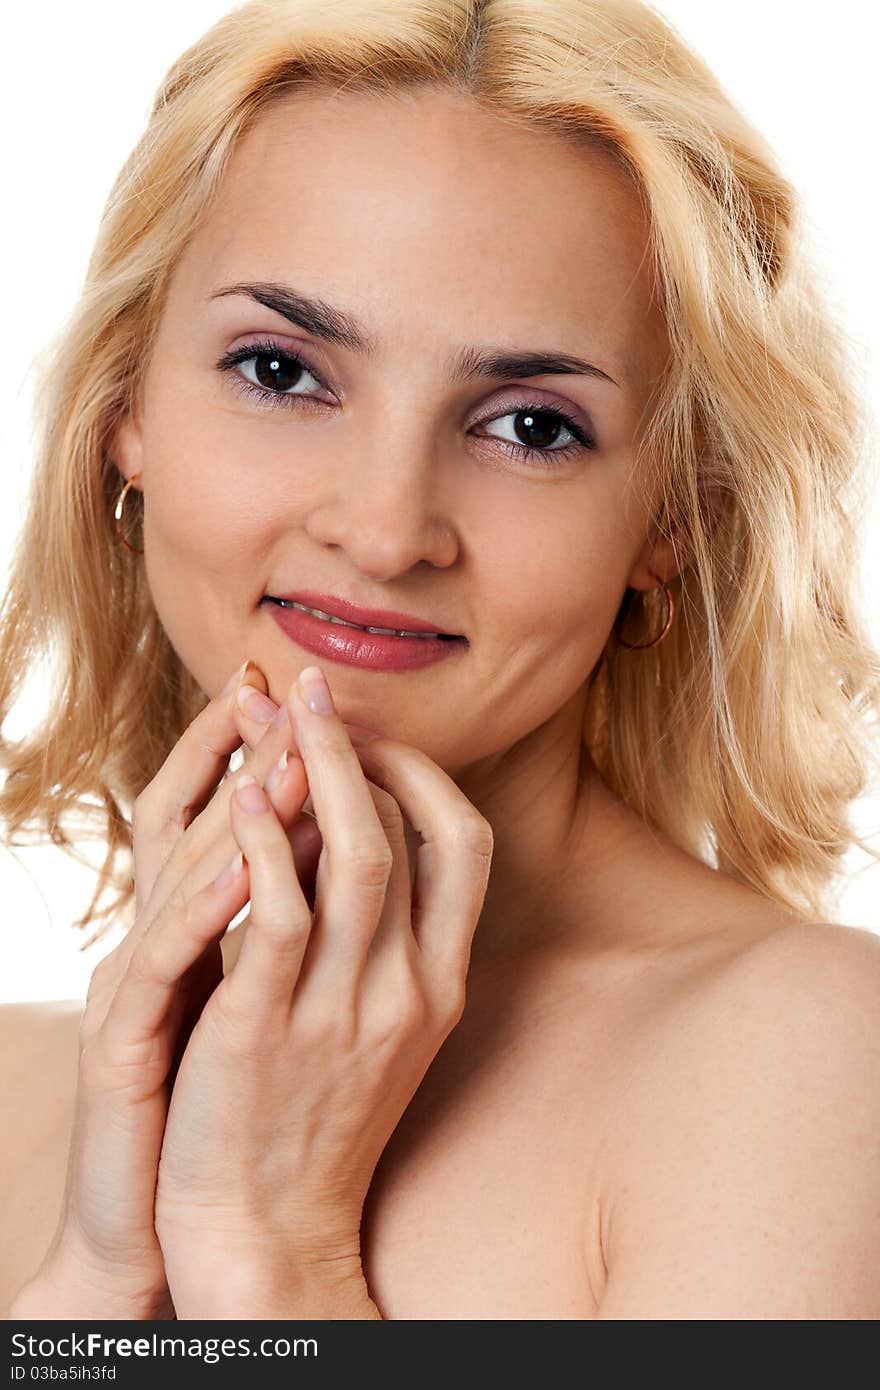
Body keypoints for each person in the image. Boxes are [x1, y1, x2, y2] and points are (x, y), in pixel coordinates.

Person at [1, 0, 879, 1320]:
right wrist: (96, 1278)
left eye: (530, 424)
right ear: (125, 409)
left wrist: (270, 1247)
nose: (384, 526)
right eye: (282, 370)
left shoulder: (806, 1059)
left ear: (673, 519)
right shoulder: (19, 1086)